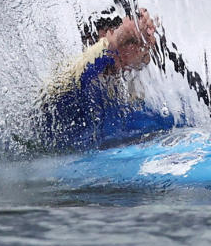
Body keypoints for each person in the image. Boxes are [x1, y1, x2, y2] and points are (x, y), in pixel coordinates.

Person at [38, 8, 181, 150]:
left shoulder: (123, 85)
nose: (117, 61)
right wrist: (115, 41)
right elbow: (76, 77)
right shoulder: (66, 73)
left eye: (129, 44)